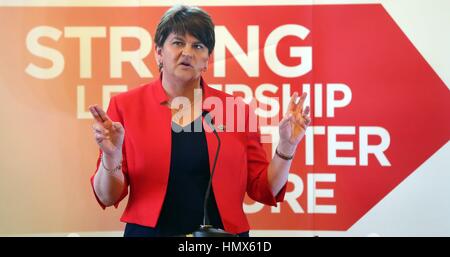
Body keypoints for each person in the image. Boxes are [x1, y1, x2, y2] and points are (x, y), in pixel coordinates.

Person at [89, 5, 311, 237]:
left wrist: (287, 147)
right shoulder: (126, 106)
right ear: (158, 52)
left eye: (198, 46)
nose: (187, 52)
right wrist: (111, 156)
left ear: (206, 60)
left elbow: (263, 189)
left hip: (222, 236)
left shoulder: (234, 110)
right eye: (177, 42)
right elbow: (107, 196)